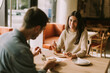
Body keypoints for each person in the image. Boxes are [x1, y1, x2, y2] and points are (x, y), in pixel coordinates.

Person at [0, 7, 57, 73]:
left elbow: (11, 61)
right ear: (37, 29)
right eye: (42, 30)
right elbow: (18, 54)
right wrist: (46, 67)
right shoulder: (21, 51)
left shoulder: (4, 36)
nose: (41, 33)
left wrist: (31, 55)